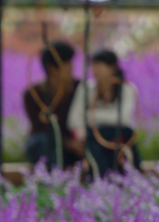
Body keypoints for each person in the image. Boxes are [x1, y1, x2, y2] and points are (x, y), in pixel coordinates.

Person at [67, 50, 141, 179]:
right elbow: (73, 119)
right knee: (93, 142)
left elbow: (122, 118)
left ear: (112, 67)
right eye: (94, 66)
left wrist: (89, 115)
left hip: (117, 134)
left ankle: (128, 179)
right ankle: (100, 179)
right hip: (93, 134)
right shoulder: (86, 88)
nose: (96, 71)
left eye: (100, 66)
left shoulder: (127, 89)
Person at [22, 41, 85, 170]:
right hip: (47, 145)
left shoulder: (80, 88)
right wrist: (68, 143)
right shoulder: (33, 94)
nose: (72, 68)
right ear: (52, 68)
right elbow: (41, 127)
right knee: (43, 142)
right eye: (67, 64)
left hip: (75, 147)